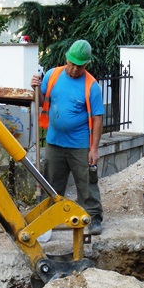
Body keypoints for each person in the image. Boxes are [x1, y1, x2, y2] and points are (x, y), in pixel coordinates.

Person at [30, 40, 105, 235]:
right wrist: (35, 88)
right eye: (72, 63)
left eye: (79, 66)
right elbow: (39, 101)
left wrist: (94, 149)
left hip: (80, 144)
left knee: (86, 182)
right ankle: (49, 216)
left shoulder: (92, 86)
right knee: (52, 182)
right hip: (55, 142)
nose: (74, 69)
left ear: (86, 64)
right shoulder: (52, 75)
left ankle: (94, 216)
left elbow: (97, 119)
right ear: (66, 58)